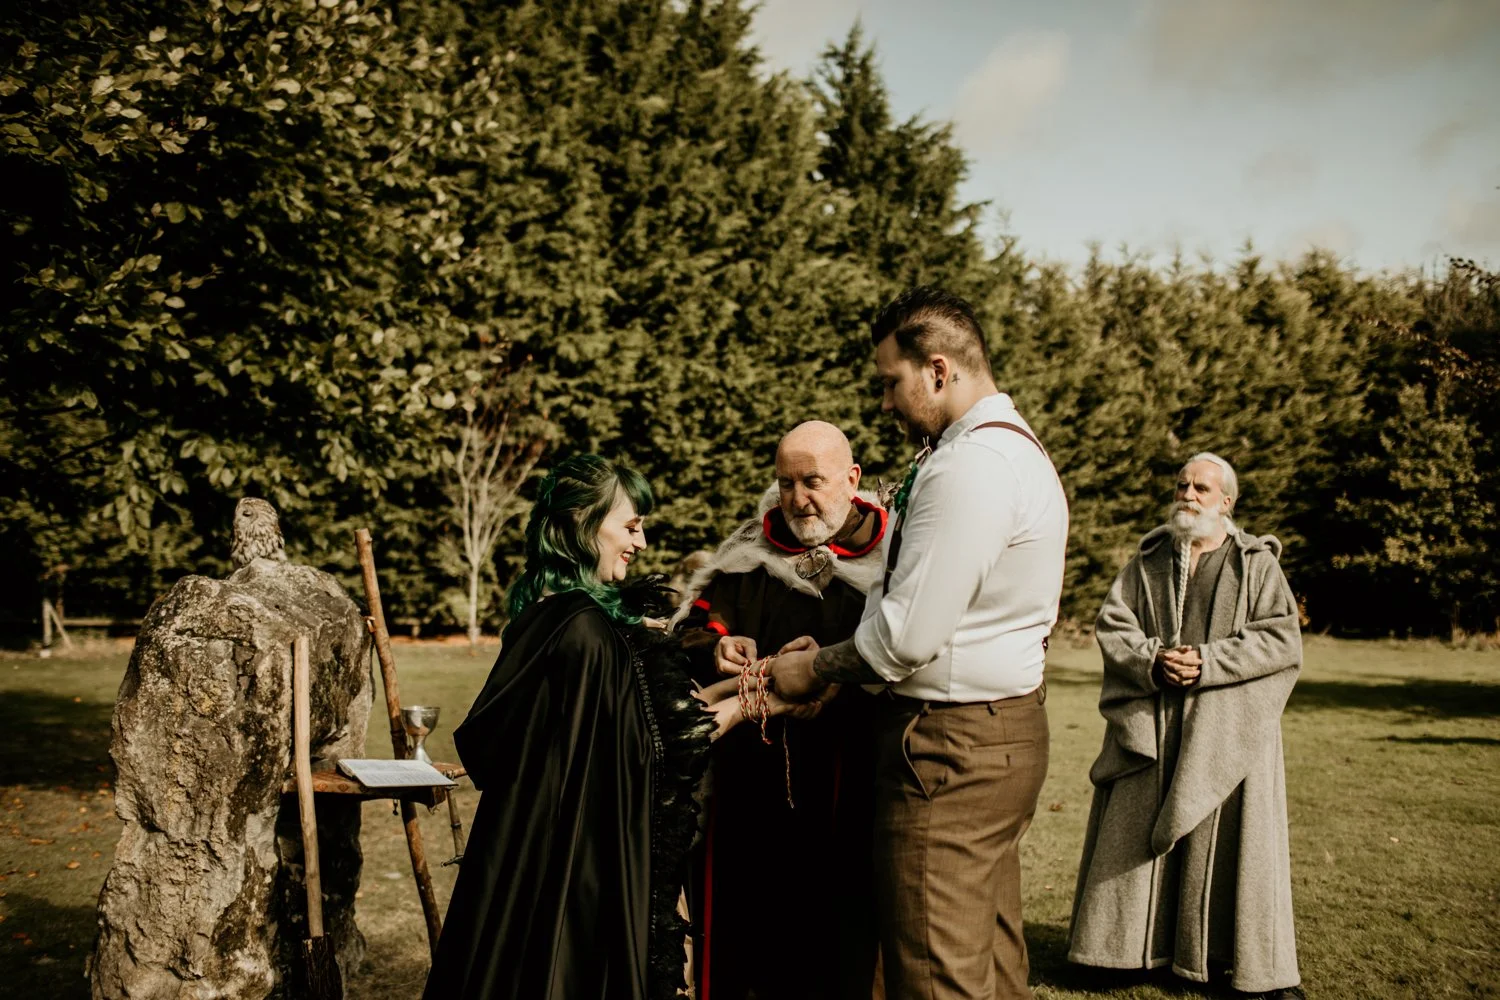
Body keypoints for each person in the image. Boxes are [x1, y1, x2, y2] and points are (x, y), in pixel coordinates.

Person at [772, 288, 1069, 1000]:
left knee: (937, 977)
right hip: (996, 732)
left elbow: (905, 639)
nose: (884, 402)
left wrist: (809, 669)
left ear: (937, 371)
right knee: (992, 966)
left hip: (948, 753)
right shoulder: (999, 450)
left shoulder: (973, 468)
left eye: (890, 382)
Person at [425, 454, 773, 1000]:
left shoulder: (557, 616)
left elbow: (629, 727)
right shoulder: (584, 633)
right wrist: (757, 700)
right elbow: (648, 750)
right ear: (583, 523)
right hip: (578, 873)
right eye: (629, 526)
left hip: (538, 863)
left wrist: (748, 680)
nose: (639, 541)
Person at [1068, 453, 1304, 1000]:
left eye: (1202, 488)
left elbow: (1280, 639)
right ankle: (1123, 953)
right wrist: (1152, 661)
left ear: (1227, 502)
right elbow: (1114, 624)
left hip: (1227, 729)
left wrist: (1209, 662)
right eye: (1182, 485)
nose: (1188, 495)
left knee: (1225, 844)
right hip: (1152, 723)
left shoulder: (1257, 565)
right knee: (1134, 833)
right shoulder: (1147, 561)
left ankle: (1234, 963)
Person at [673, 420, 888, 1000]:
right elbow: (692, 628)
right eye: (786, 482)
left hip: (849, 776)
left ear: (851, 477)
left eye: (812, 481)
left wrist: (836, 677)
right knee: (747, 935)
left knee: (837, 934)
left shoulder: (896, 551)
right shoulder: (751, 549)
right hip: (751, 779)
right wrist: (716, 644)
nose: (798, 498)